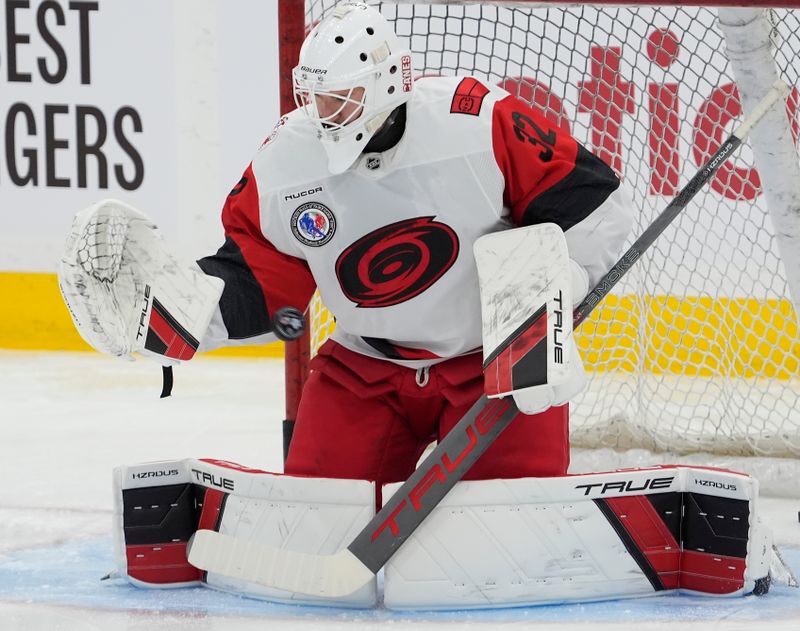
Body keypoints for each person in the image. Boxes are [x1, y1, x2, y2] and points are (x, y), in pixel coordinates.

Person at [60, 2, 632, 504]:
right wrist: (173, 313)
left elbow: (595, 204)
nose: (324, 110)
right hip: (367, 369)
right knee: (314, 519)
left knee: (511, 529)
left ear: (386, 83)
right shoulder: (286, 162)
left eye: (341, 96)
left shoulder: (476, 120)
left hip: (490, 367)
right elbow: (259, 279)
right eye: (316, 96)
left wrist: (554, 295)